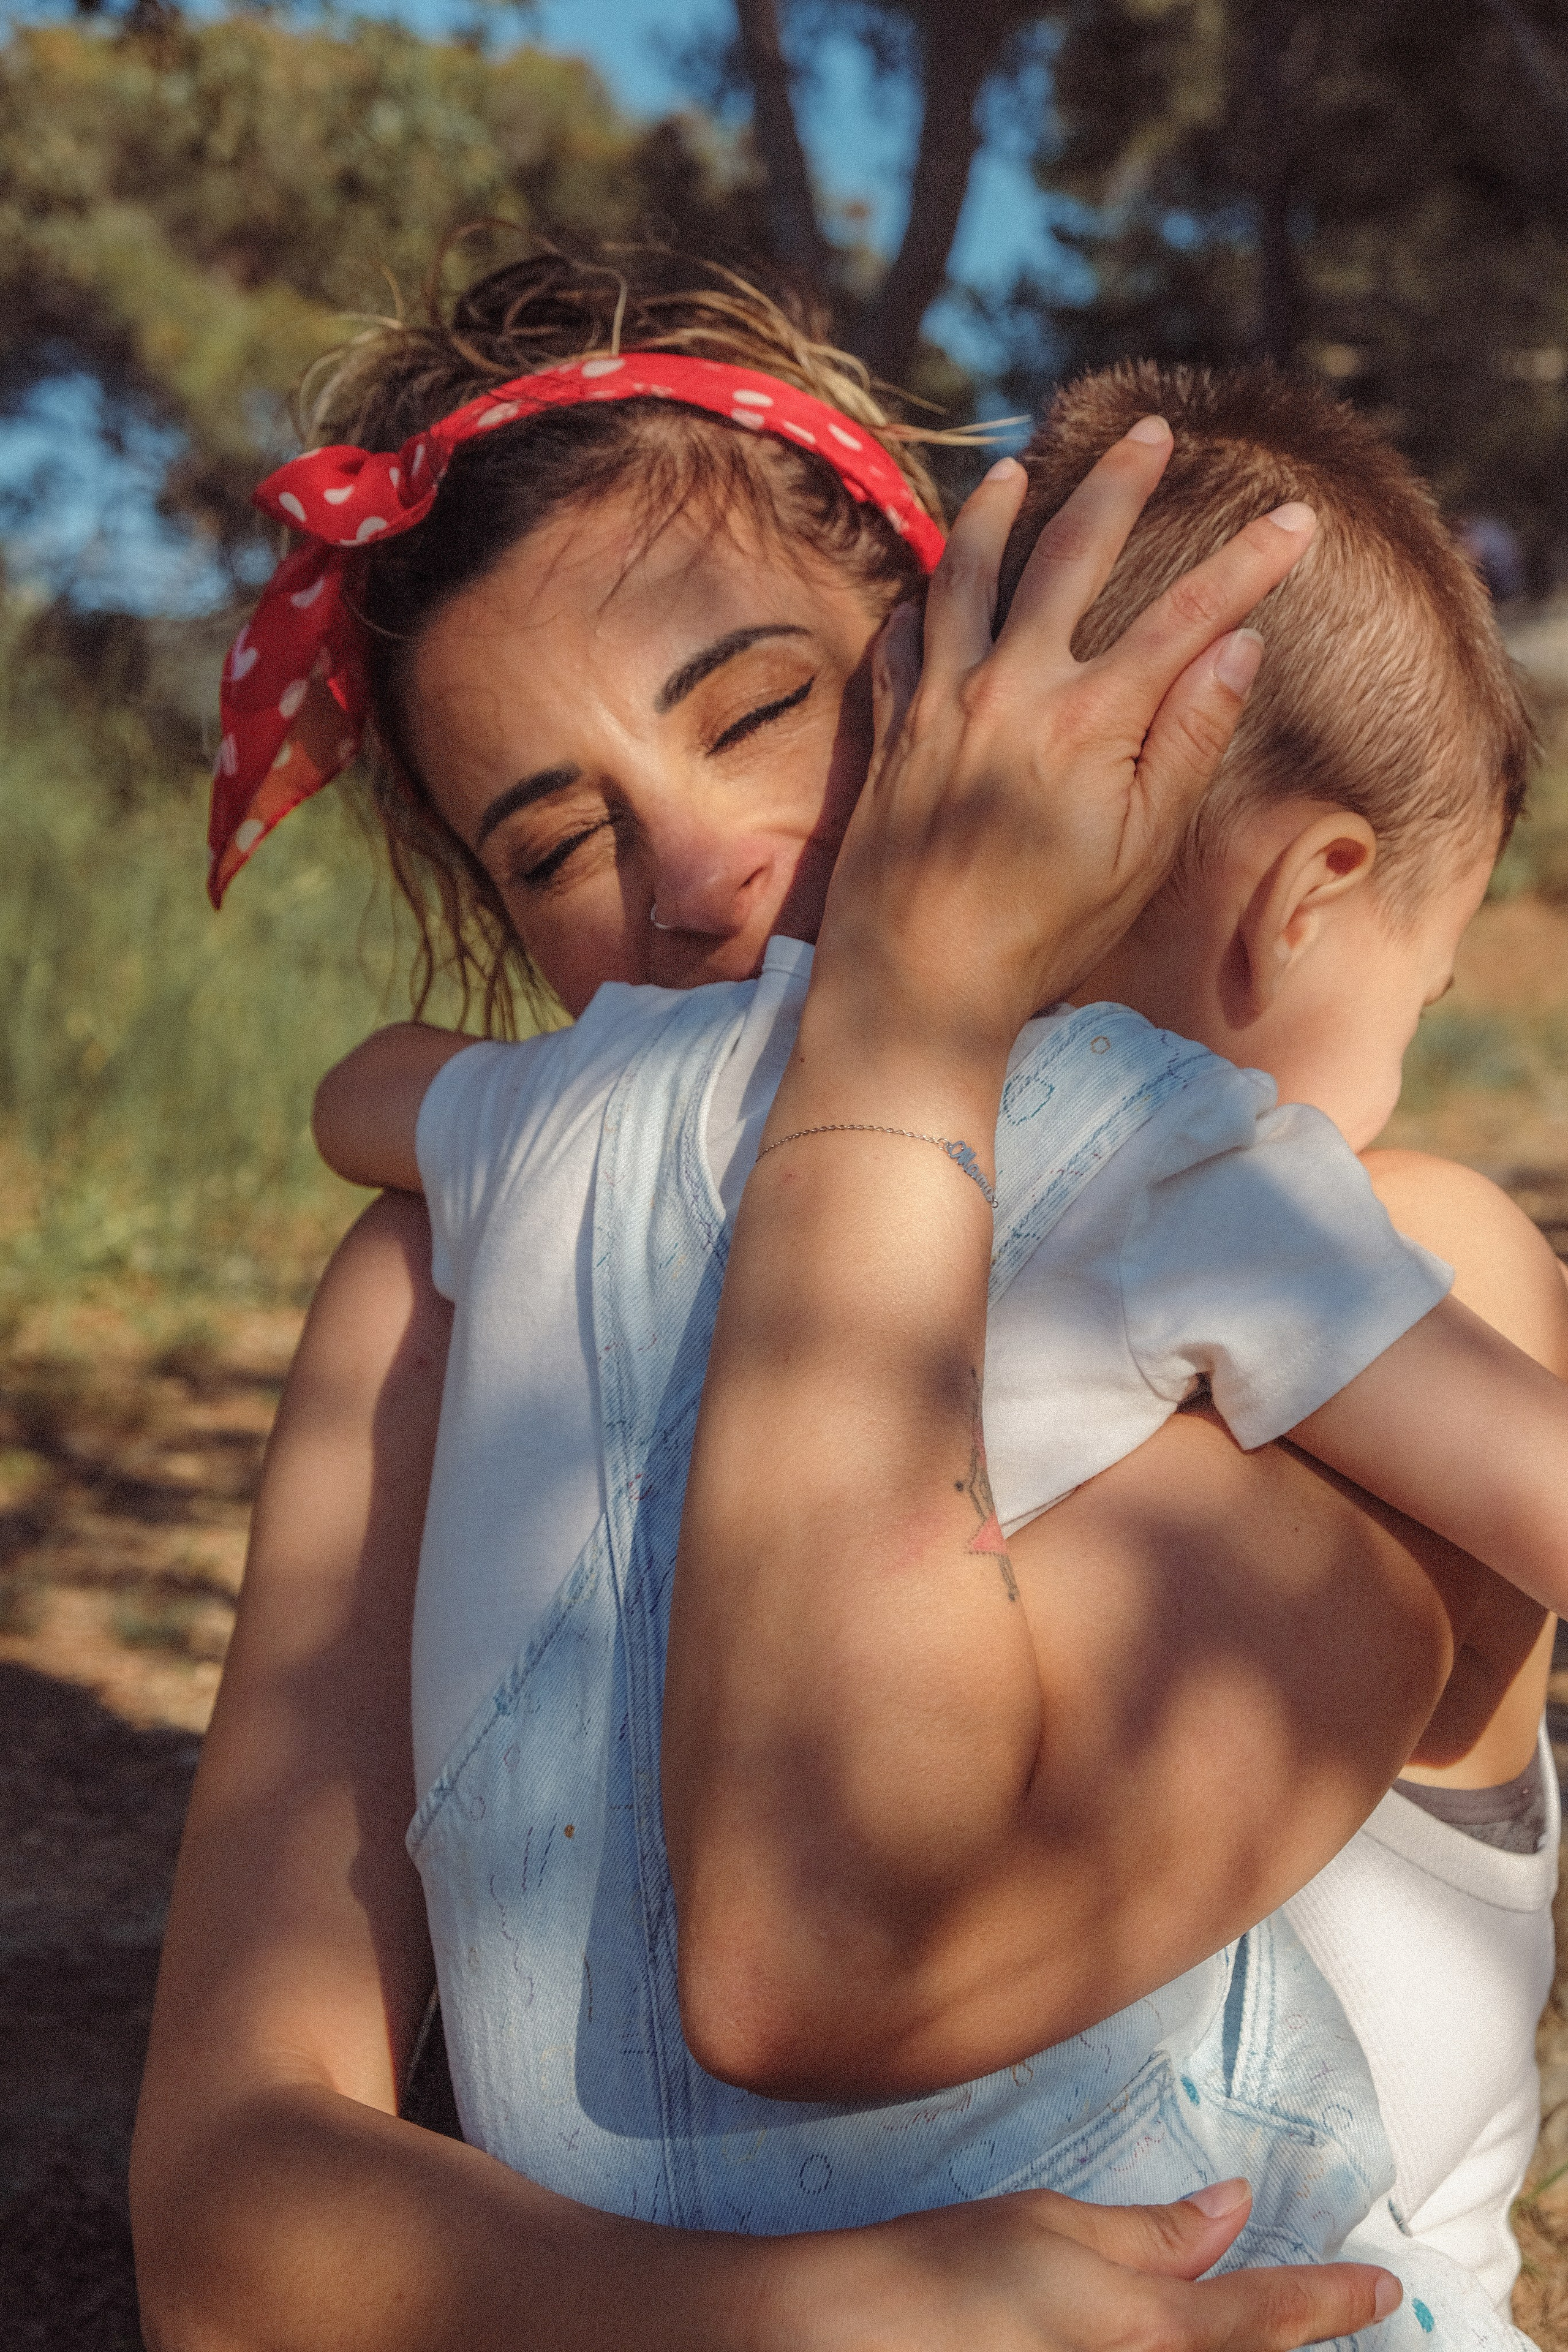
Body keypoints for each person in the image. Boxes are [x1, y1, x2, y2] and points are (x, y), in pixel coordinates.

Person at [129, 252, 1539, 2351]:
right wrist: (792, 2310)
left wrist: (910, 1016)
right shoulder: (435, 1294)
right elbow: (231, 2223)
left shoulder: (1390, 1235)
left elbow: (838, 1950)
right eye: (556, 844)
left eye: (763, 708)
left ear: (983, 655)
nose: (693, 874)